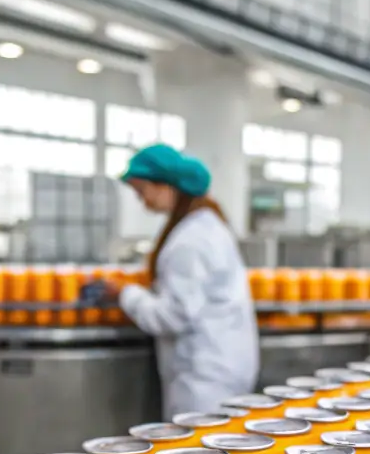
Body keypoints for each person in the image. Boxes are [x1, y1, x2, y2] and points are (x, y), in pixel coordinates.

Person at [98, 143, 259, 418]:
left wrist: (127, 294)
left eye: (142, 191)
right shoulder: (206, 225)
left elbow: (173, 316)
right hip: (223, 365)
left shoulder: (190, 241)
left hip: (204, 379)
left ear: (166, 186)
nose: (142, 200)